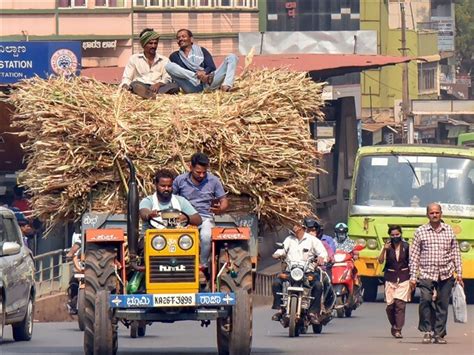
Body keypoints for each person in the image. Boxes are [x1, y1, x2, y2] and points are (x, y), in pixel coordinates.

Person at [409, 203, 463, 345]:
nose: (434, 215)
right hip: (427, 273)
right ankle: (427, 331)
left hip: (446, 273)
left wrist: (459, 274)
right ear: (427, 215)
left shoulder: (449, 231)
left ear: (441, 214)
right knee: (425, 300)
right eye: (431, 213)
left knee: (442, 305)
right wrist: (413, 277)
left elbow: (455, 253)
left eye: (437, 213)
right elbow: (414, 256)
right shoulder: (420, 231)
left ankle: (439, 333)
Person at [172, 153, 228, 280]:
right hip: (184, 217)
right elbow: (170, 198)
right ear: (190, 167)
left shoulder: (213, 181)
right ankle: (178, 267)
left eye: (204, 172)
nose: (201, 175)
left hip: (204, 217)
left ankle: (201, 267)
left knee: (206, 236)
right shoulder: (180, 180)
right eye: (198, 172)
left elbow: (223, 200)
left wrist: (220, 209)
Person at [271, 223, 328, 324]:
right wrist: (277, 254)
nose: (294, 227)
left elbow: (323, 253)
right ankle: (280, 309)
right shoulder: (289, 239)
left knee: (318, 285)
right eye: (293, 225)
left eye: (296, 225)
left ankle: (312, 312)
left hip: (307, 272)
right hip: (291, 271)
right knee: (276, 282)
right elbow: (282, 249)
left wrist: (321, 258)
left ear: (302, 227)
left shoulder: (312, 240)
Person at [165, 28, 238, 93]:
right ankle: (196, 78)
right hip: (191, 86)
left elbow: (211, 67)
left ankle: (226, 86)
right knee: (169, 66)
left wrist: (204, 72)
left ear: (191, 39)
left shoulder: (202, 50)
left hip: (209, 82)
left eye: (183, 36)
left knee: (232, 57)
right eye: (178, 38)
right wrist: (198, 76)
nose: (180, 39)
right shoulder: (174, 56)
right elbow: (180, 72)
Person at [120, 28, 179, 98]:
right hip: (141, 85)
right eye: (150, 43)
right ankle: (147, 93)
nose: (153, 46)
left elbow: (167, 78)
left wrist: (158, 84)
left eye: (155, 43)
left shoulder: (164, 60)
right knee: (134, 84)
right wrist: (125, 86)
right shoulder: (134, 59)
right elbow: (127, 77)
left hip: (158, 88)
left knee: (175, 86)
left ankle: (148, 95)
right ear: (143, 44)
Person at [378, 225, 410, 339]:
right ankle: (394, 325)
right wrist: (384, 250)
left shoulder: (406, 246)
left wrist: (414, 277)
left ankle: (398, 329)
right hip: (390, 277)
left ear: (401, 234)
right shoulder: (387, 246)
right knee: (390, 306)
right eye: (392, 235)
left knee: (400, 304)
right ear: (389, 236)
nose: (395, 237)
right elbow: (380, 260)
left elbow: (411, 261)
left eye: (397, 234)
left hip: (403, 277)